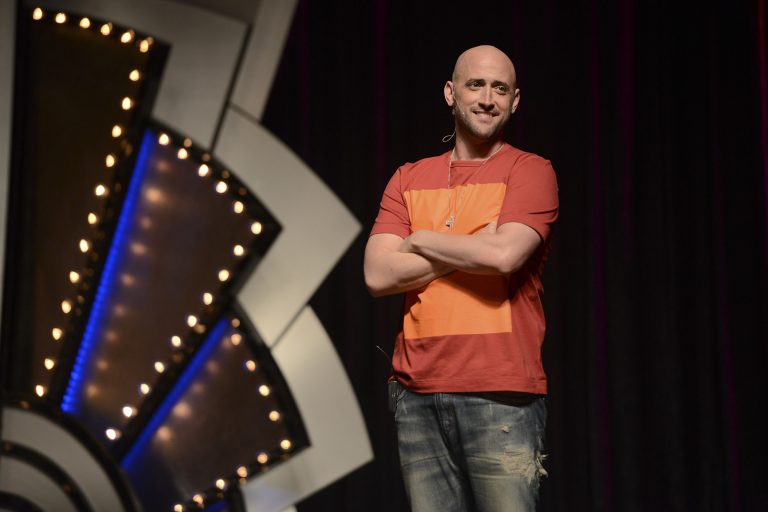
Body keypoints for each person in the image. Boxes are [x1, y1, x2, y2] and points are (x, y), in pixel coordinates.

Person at [363, 45, 559, 511]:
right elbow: (376, 274)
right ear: (451, 93)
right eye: (476, 84)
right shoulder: (408, 179)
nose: (487, 98)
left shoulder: (530, 171)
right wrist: (472, 243)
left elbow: (505, 255)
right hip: (416, 394)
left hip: (502, 395)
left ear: (515, 101)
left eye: (500, 88)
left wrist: (418, 240)